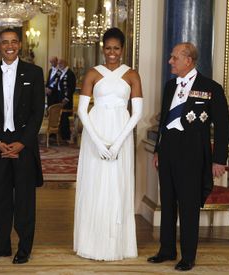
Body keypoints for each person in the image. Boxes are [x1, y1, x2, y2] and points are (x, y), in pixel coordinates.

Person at [147, 42, 229, 271]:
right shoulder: (169, 86)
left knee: (188, 206)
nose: (170, 61)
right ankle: (166, 250)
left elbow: (223, 126)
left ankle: (188, 256)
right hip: (169, 151)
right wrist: (157, 151)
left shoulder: (211, 87)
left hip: (193, 154)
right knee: (168, 201)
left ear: (188, 60)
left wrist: (219, 159)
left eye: (174, 58)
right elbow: (164, 120)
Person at [73, 27, 143, 261]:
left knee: (117, 186)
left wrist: (117, 143)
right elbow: (83, 110)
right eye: (108, 48)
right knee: (95, 184)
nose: (112, 52)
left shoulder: (132, 74)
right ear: (102, 49)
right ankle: (91, 243)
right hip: (96, 133)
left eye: (116, 48)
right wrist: (99, 143)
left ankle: (117, 245)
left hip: (121, 134)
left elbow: (137, 113)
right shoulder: (93, 73)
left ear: (122, 50)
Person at [0, 28, 45, 264]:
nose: (9, 46)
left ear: (20, 44)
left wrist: (22, 142)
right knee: (0, 197)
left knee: (25, 198)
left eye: (14, 42)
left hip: (23, 144)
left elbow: (38, 112)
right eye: (5, 42)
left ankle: (24, 247)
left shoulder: (34, 72)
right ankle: (2, 244)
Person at [57, 58, 76, 142]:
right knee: (61, 118)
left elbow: (71, 88)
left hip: (66, 100)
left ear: (64, 63)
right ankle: (62, 135)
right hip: (60, 98)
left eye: (60, 63)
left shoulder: (70, 73)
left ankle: (66, 136)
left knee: (65, 118)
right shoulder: (61, 72)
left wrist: (66, 98)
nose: (59, 65)